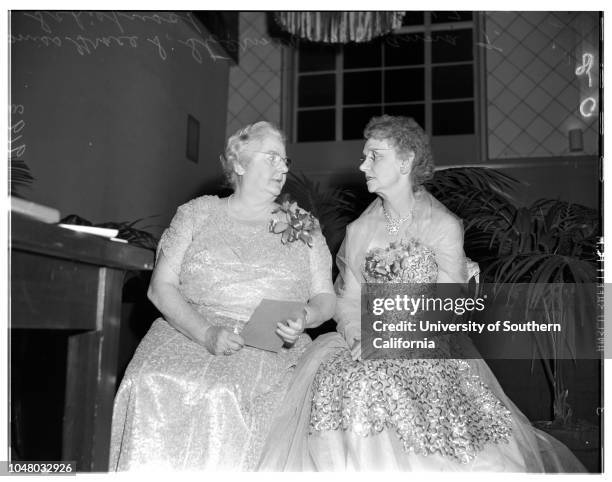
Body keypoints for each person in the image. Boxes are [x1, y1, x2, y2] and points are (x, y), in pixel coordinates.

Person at [259, 115, 585, 472]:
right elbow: (349, 300)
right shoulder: (359, 230)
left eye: (374, 156)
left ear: (405, 161)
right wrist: (357, 334)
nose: (362, 165)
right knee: (348, 384)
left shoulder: (443, 225)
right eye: (364, 156)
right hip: (366, 341)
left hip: (426, 344)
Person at [109, 121, 336, 470]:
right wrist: (206, 333)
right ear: (240, 165)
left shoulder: (303, 225)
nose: (284, 167)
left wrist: (305, 316)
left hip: (268, 344)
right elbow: (161, 288)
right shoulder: (197, 214)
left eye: (285, 160)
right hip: (186, 331)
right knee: (146, 381)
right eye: (272, 157)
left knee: (224, 395)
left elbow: (325, 299)